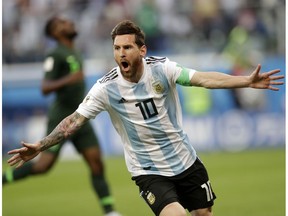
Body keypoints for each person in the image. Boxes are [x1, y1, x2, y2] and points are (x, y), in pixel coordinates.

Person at [7, 20, 284, 216]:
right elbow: (73, 121)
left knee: (203, 213)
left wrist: (245, 81)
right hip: (148, 170)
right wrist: (41, 146)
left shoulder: (163, 70)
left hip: (186, 160)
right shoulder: (106, 88)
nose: (120, 53)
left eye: (127, 47)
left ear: (142, 50)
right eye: (116, 48)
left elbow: (205, 79)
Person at [3, 16, 121, 216]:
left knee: (96, 163)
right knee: (43, 167)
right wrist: (70, 78)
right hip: (61, 118)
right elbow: (45, 88)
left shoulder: (74, 51)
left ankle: (110, 211)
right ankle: (3, 180)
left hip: (82, 117)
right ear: (55, 32)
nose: (70, 23)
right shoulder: (55, 54)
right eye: (62, 23)